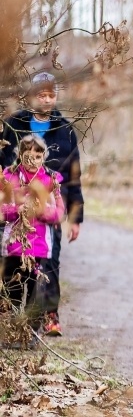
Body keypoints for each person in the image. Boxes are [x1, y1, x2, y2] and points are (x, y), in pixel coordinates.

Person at [0, 72, 84, 337]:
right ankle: (10, 315)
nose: (47, 100)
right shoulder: (15, 123)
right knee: (12, 262)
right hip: (16, 208)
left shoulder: (66, 130)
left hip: (49, 208)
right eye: (41, 94)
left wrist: (75, 216)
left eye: (51, 95)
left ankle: (50, 314)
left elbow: (73, 175)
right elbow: (3, 164)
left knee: (49, 262)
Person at [0, 135, 64, 331]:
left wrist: (42, 211)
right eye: (27, 156)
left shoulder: (51, 181)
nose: (32, 161)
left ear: (44, 156)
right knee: (13, 289)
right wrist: (14, 210)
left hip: (39, 246)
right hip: (13, 245)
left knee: (36, 290)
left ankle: (31, 330)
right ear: (20, 155)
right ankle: (15, 329)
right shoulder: (9, 178)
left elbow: (60, 212)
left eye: (37, 156)